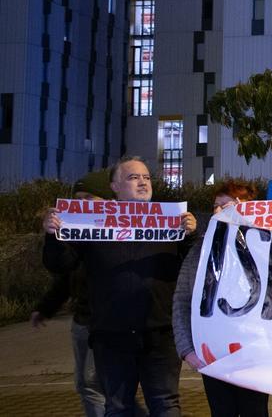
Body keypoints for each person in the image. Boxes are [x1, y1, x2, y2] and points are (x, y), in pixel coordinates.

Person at [43, 156, 197, 417]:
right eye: (133, 177)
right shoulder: (92, 222)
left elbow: (195, 268)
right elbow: (60, 264)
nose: (142, 182)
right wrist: (53, 235)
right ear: (114, 186)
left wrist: (191, 236)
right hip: (111, 336)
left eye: (146, 177)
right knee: (118, 407)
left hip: (160, 335)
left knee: (166, 405)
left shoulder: (172, 221)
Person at [173, 179, 269, 417]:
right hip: (213, 356)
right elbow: (182, 300)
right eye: (216, 206)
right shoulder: (201, 251)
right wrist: (187, 350)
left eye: (226, 206)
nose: (218, 211)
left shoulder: (266, 245)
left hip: (253, 356)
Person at [32, 169, 114, 417]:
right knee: (90, 385)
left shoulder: (119, 233)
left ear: (108, 201)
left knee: (94, 385)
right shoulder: (75, 234)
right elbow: (65, 274)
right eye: (78, 198)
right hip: (83, 322)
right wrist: (46, 308)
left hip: (109, 324)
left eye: (89, 198)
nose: (82, 204)